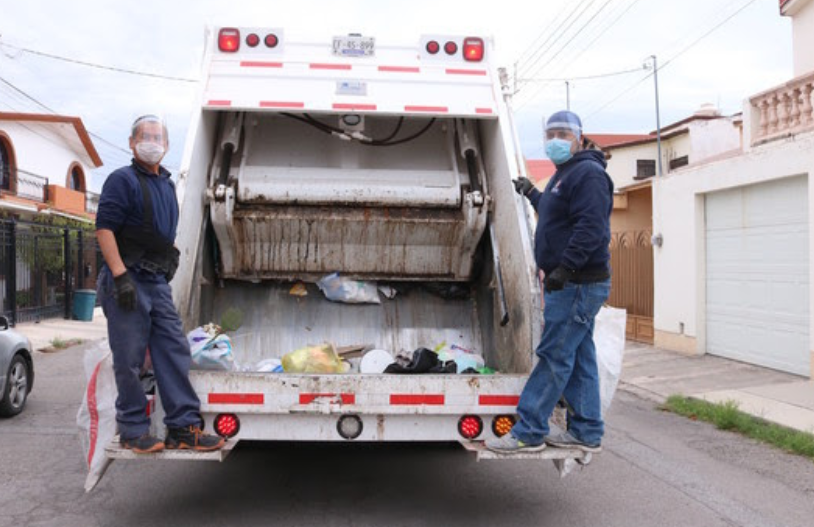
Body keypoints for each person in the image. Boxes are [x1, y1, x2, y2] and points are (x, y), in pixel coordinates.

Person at [486, 110, 613, 454]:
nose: (555, 140)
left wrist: (565, 269)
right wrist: (531, 193)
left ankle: (528, 431)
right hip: (574, 284)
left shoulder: (587, 173)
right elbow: (557, 214)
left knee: (554, 356)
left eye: (563, 133)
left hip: (576, 284)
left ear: (579, 137)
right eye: (551, 133)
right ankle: (587, 430)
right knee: (581, 357)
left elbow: (591, 228)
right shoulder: (566, 174)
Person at [96, 114, 224, 454]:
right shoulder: (121, 180)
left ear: (167, 146)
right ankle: (134, 430)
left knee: (173, 350)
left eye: (158, 137)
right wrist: (120, 276)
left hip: (155, 281)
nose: (152, 142)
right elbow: (104, 229)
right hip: (128, 277)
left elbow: (165, 231)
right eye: (145, 136)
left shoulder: (167, 185)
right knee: (130, 359)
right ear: (131, 142)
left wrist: (172, 257)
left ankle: (182, 428)